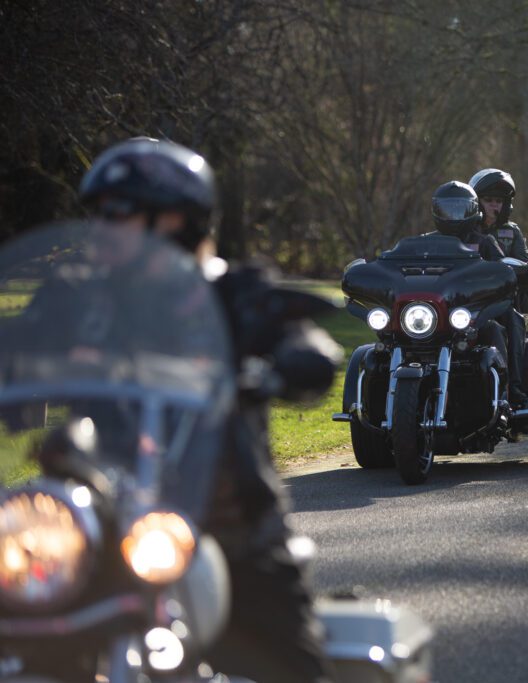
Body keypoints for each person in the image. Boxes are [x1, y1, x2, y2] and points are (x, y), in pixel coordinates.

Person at [78, 137, 339, 683]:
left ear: (176, 220)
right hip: (105, 522)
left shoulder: (233, 294)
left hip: (229, 530)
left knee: (291, 666)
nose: (101, 229)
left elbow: (304, 341)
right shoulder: (83, 303)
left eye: (118, 214)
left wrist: (291, 361)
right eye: (98, 214)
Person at [430, 180, 528, 407]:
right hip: (440, 308)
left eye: (460, 209)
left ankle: (510, 386)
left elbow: (506, 266)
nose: (454, 215)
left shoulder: (487, 241)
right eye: (449, 209)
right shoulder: (428, 242)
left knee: (504, 323)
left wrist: (523, 271)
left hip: (481, 307)